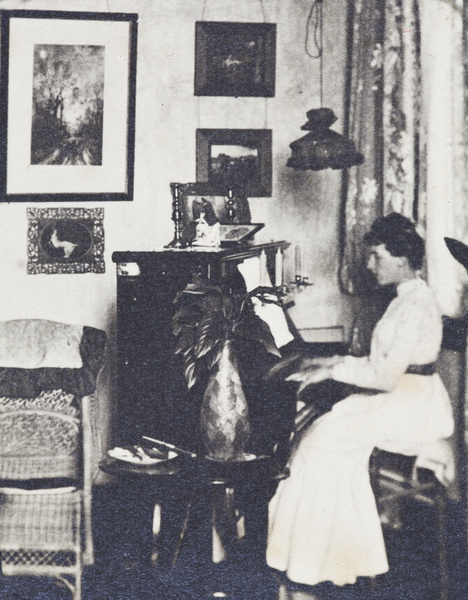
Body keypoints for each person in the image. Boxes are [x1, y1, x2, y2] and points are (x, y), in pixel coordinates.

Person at [266, 212, 455, 587]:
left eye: (377, 257)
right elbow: (383, 363)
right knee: (318, 436)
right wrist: (334, 360)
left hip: (414, 404)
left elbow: (385, 377)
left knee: (320, 442)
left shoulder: (415, 305)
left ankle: (326, 561)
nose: (370, 265)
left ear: (401, 260)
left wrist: (331, 372)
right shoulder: (406, 298)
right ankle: (316, 557)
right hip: (403, 393)